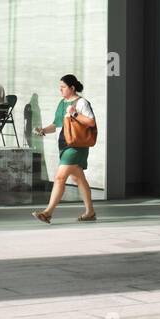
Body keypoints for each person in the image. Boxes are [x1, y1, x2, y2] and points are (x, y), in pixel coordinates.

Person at [31, 74, 96, 223]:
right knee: (78, 178)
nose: (60, 90)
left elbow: (91, 122)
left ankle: (48, 212)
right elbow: (56, 124)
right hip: (64, 144)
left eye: (63, 87)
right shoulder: (62, 103)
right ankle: (90, 212)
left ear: (72, 88)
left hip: (76, 146)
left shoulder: (82, 103)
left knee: (60, 177)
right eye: (60, 87)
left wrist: (74, 113)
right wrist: (43, 130)